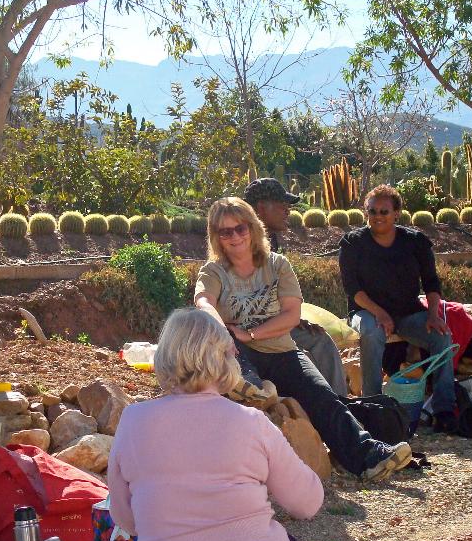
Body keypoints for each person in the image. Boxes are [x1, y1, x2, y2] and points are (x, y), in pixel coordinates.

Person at [107, 308, 434, 541]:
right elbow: (307, 504)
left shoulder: (133, 421)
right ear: (224, 358)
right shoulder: (250, 422)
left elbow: (126, 520)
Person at [194, 196, 412, 481]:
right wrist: (221, 326)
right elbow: (203, 301)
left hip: (281, 351)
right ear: (216, 237)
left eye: (240, 228)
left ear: (252, 228)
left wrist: (249, 333)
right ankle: (247, 384)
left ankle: (369, 456)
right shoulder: (213, 272)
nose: (234, 236)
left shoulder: (277, 265)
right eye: (225, 231)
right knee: (225, 343)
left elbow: (291, 317)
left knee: (324, 398)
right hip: (237, 352)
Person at [339, 185, 457, 429]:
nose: (377, 216)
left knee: (441, 336)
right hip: (367, 312)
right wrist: (380, 313)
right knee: (371, 331)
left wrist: (433, 315)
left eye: (384, 211)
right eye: (372, 211)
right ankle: (372, 405)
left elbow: (432, 283)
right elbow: (353, 290)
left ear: (397, 213)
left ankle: (444, 410)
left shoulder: (415, 242)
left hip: (407, 314)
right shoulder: (353, 243)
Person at [244, 178, 348, 395]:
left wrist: (294, 320)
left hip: (273, 322)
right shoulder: (242, 242)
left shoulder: (270, 240)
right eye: (282, 206)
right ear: (261, 208)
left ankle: (339, 406)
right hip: (249, 330)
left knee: (321, 341)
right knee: (315, 348)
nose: (288, 211)